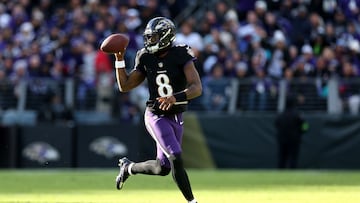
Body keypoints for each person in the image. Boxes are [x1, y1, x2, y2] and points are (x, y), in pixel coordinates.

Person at [113, 17, 202, 203]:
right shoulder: (145, 56)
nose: (149, 41)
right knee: (176, 156)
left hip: (176, 116)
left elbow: (196, 88)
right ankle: (192, 202)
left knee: (163, 168)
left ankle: (128, 168)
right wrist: (119, 60)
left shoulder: (181, 53)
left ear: (165, 36)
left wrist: (175, 97)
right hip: (156, 115)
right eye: (148, 37)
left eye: (153, 38)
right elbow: (126, 85)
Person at [274, 95, 309, 169]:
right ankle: (292, 173)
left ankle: (280, 174)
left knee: (282, 158)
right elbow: (305, 125)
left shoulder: (281, 114)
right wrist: (302, 131)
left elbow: (276, 125)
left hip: (282, 139)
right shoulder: (298, 114)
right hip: (294, 139)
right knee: (293, 158)